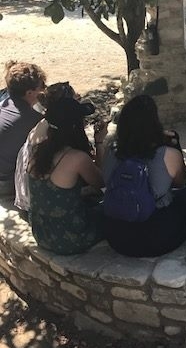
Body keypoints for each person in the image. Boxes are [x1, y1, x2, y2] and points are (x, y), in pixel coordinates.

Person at [103, 95, 186, 257]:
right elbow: (181, 182)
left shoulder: (111, 151)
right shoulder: (167, 154)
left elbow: (105, 179)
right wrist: (174, 146)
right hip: (155, 237)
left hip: (116, 235)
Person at [28, 97, 106, 255]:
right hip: (70, 238)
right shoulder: (76, 158)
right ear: (75, 126)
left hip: (42, 233)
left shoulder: (38, 151)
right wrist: (99, 143)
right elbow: (101, 182)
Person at [14, 82, 87, 212]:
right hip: (43, 205)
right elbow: (99, 182)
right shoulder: (57, 132)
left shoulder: (46, 124)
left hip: (31, 201)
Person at [0, 61, 47, 196]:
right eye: (41, 86)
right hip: (5, 183)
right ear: (30, 93)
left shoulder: (4, 103)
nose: (43, 89)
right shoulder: (32, 118)